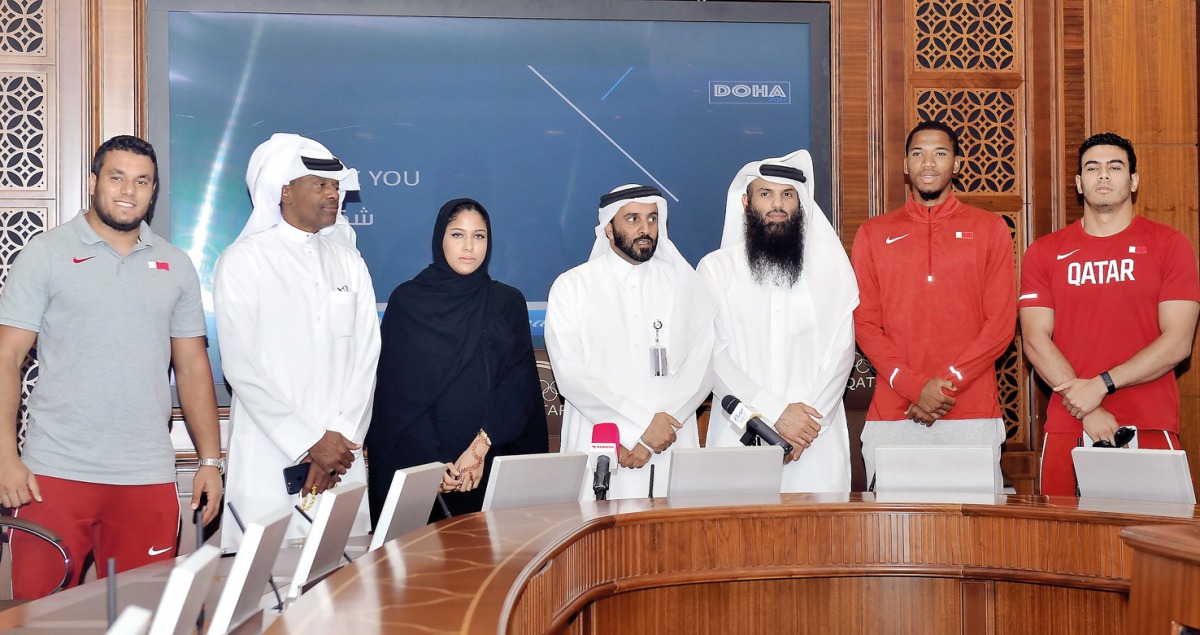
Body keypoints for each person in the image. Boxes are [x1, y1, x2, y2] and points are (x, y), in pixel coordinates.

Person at [0, 135, 223, 598]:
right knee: (37, 621)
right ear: (92, 181)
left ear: (153, 190)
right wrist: (4, 457)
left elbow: (192, 367)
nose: (128, 191)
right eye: (117, 177)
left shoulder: (176, 265)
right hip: (53, 473)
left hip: (147, 474)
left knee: (141, 618)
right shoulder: (46, 254)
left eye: (142, 181)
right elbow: (6, 358)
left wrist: (210, 460)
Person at [215, 133, 380, 551]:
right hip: (270, 455)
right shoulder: (243, 261)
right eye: (321, 184)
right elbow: (240, 366)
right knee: (265, 580)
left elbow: (367, 356)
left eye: (336, 186)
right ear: (284, 191)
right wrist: (309, 443)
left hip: (341, 458)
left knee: (345, 578)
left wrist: (338, 440)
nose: (333, 194)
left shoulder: (349, 261)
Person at [1019, 132, 1200, 496]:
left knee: (1152, 532)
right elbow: (1035, 341)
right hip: (1069, 426)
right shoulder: (1044, 252)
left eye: (1115, 167)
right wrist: (1086, 408)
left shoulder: (1169, 245)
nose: (1103, 174)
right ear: (1078, 183)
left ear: (1133, 181)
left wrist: (1101, 385)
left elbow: (1178, 343)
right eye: (1092, 167)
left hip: (1149, 422)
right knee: (1064, 534)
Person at [851, 121, 1016, 490]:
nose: (928, 163)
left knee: (971, 527)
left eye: (940, 153)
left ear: (956, 164)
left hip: (972, 413)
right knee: (891, 527)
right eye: (918, 153)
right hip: (894, 414)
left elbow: (1001, 323)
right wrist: (915, 387)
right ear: (905, 165)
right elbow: (865, 324)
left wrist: (944, 388)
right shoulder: (873, 233)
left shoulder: (989, 228)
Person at [366, 199, 546, 522]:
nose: (469, 247)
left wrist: (479, 448)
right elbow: (395, 396)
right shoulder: (408, 302)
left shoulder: (507, 302)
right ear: (441, 238)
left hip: (489, 461)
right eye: (458, 234)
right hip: (420, 467)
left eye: (479, 236)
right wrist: (432, 464)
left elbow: (517, 386)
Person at [698, 150, 857, 492]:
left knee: (820, 528)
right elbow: (710, 356)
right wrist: (776, 413)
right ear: (746, 203)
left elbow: (841, 355)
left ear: (801, 205)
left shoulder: (830, 272)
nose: (777, 204)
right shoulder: (716, 269)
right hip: (741, 434)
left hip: (814, 440)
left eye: (787, 195)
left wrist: (805, 427)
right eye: (765, 194)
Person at [546, 184, 716, 500]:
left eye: (652, 218)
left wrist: (656, 433)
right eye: (633, 219)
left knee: (672, 527)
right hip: (601, 438)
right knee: (597, 529)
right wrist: (636, 429)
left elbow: (703, 364)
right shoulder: (572, 287)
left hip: (669, 437)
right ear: (609, 228)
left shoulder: (684, 285)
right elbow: (570, 374)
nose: (645, 229)